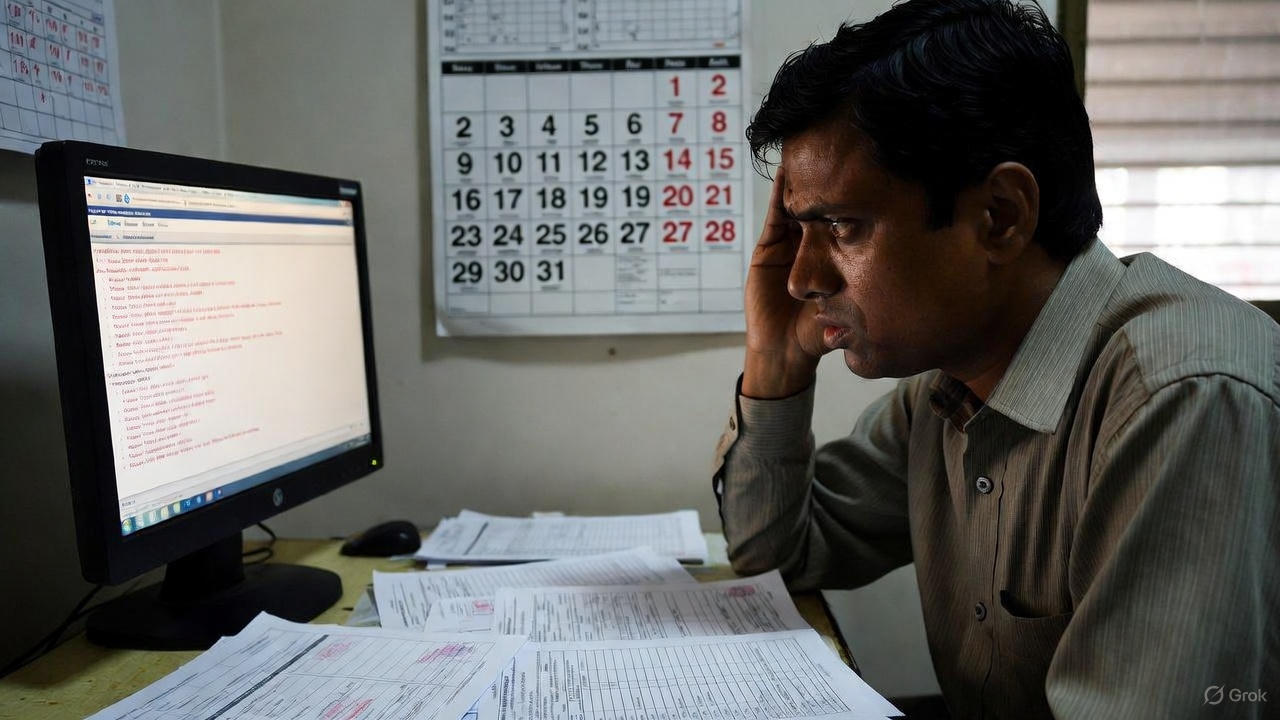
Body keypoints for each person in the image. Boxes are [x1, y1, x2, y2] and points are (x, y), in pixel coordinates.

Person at [712, 1, 1279, 718]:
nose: (800, 278)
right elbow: (777, 557)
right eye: (798, 230)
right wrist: (773, 364)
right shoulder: (950, 388)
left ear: (1000, 216)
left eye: (844, 226)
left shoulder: (1182, 399)